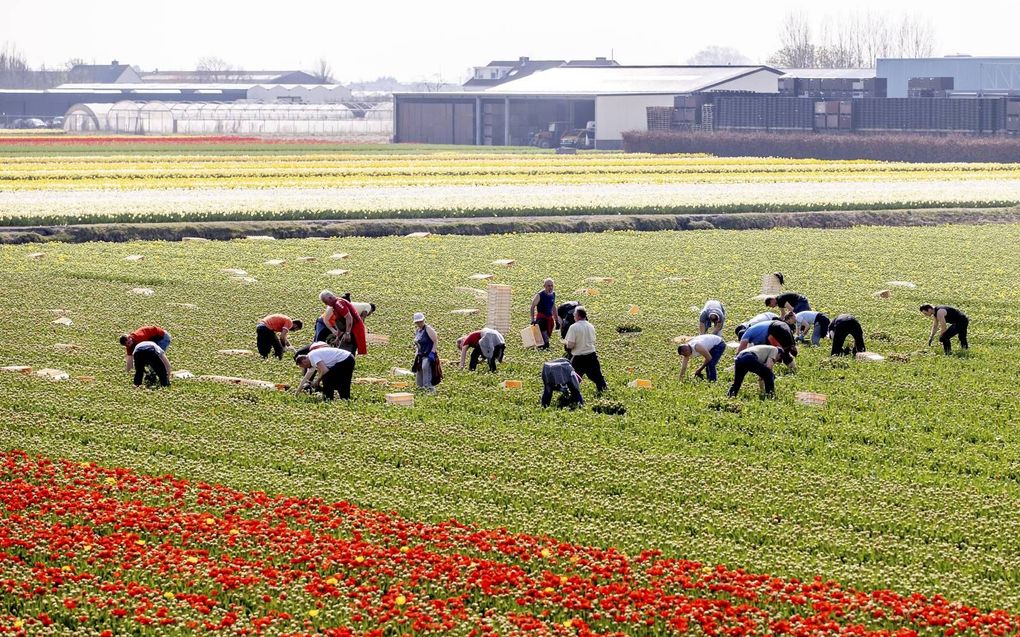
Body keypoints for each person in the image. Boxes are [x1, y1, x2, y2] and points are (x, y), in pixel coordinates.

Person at [563, 306, 608, 394]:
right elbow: (593, 340)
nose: (573, 316)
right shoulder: (590, 325)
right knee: (597, 377)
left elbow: (571, 345)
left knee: (573, 378)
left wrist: (566, 344)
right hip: (591, 355)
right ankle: (604, 392)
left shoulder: (573, 327)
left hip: (579, 357)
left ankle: (571, 395)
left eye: (574, 314)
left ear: (578, 316)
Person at [317, 290, 367, 356]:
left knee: (346, 350)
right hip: (349, 329)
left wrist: (347, 333)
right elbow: (340, 323)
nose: (326, 304)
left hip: (354, 329)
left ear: (330, 298)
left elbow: (349, 318)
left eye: (326, 302)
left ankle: (348, 364)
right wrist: (338, 338)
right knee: (342, 350)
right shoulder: (335, 305)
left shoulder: (339, 304)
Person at [412, 312, 439, 392]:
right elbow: (418, 344)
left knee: (425, 367)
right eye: (417, 322)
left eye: (420, 321)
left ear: (424, 320)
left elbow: (435, 340)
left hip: (428, 354)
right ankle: (420, 388)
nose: (419, 323)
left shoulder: (428, 329)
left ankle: (429, 389)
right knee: (419, 370)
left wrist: (432, 352)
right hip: (420, 354)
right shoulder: (417, 330)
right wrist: (416, 354)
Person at [530, 279, 558, 349]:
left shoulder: (553, 294)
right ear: (544, 286)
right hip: (541, 319)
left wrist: (556, 320)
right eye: (548, 286)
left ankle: (544, 345)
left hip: (549, 318)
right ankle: (545, 344)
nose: (550, 287)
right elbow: (532, 306)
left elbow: (553, 307)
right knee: (544, 338)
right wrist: (532, 319)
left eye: (552, 286)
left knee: (547, 335)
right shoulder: (539, 295)